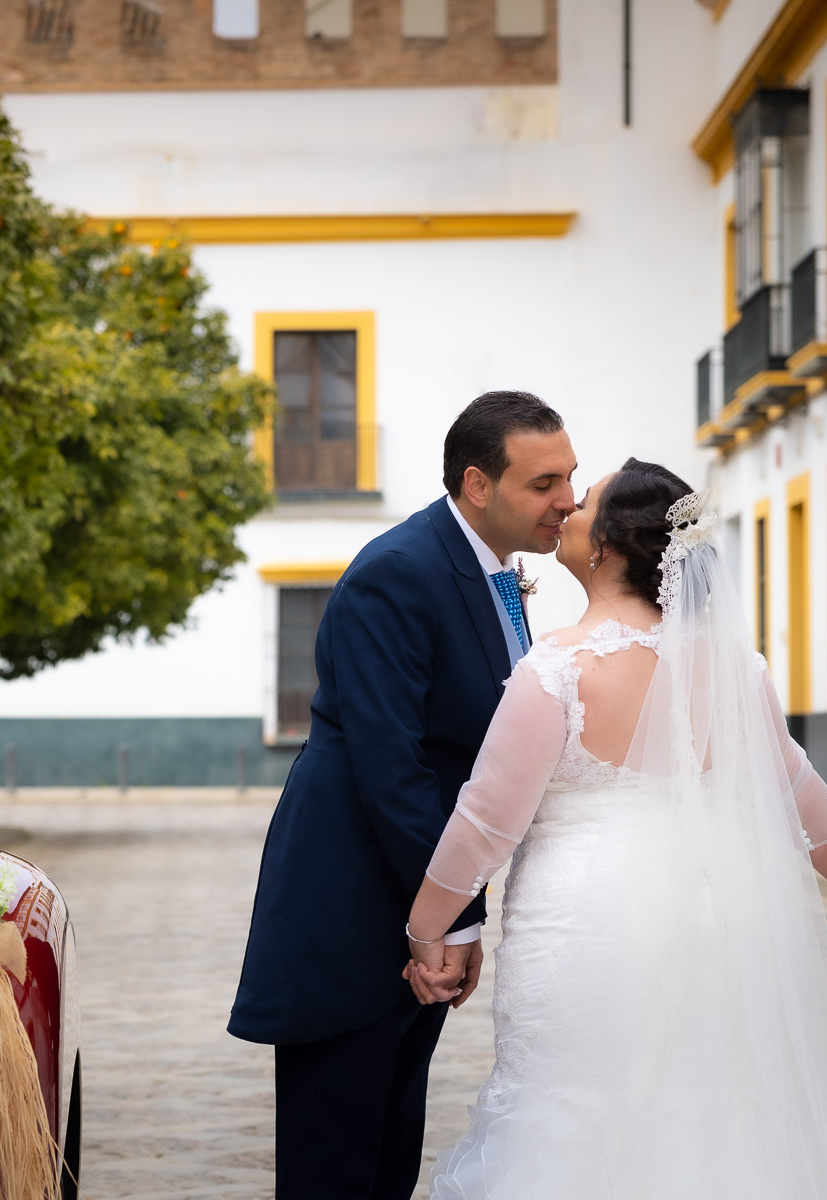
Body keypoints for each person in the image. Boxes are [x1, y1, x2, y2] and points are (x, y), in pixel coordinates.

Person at [406, 458, 827, 1199]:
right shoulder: (734, 671)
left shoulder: (560, 670)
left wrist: (428, 928)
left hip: (584, 932)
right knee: (705, 1111)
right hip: (711, 926)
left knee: (571, 1111)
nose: (570, 506)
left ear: (608, 545)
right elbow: (800, 791)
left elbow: (485, 822)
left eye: (587, 501)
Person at [229, 391, 579, 1200]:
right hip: (353, 905)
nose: (567, 499)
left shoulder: (494, 573)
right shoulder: (396, 574)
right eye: (545, 482)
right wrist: (451, 915)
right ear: (478, 485)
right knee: (336, 1164)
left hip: (414, 895)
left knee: (388, 1157)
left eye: (570, 477)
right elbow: (394, 769)